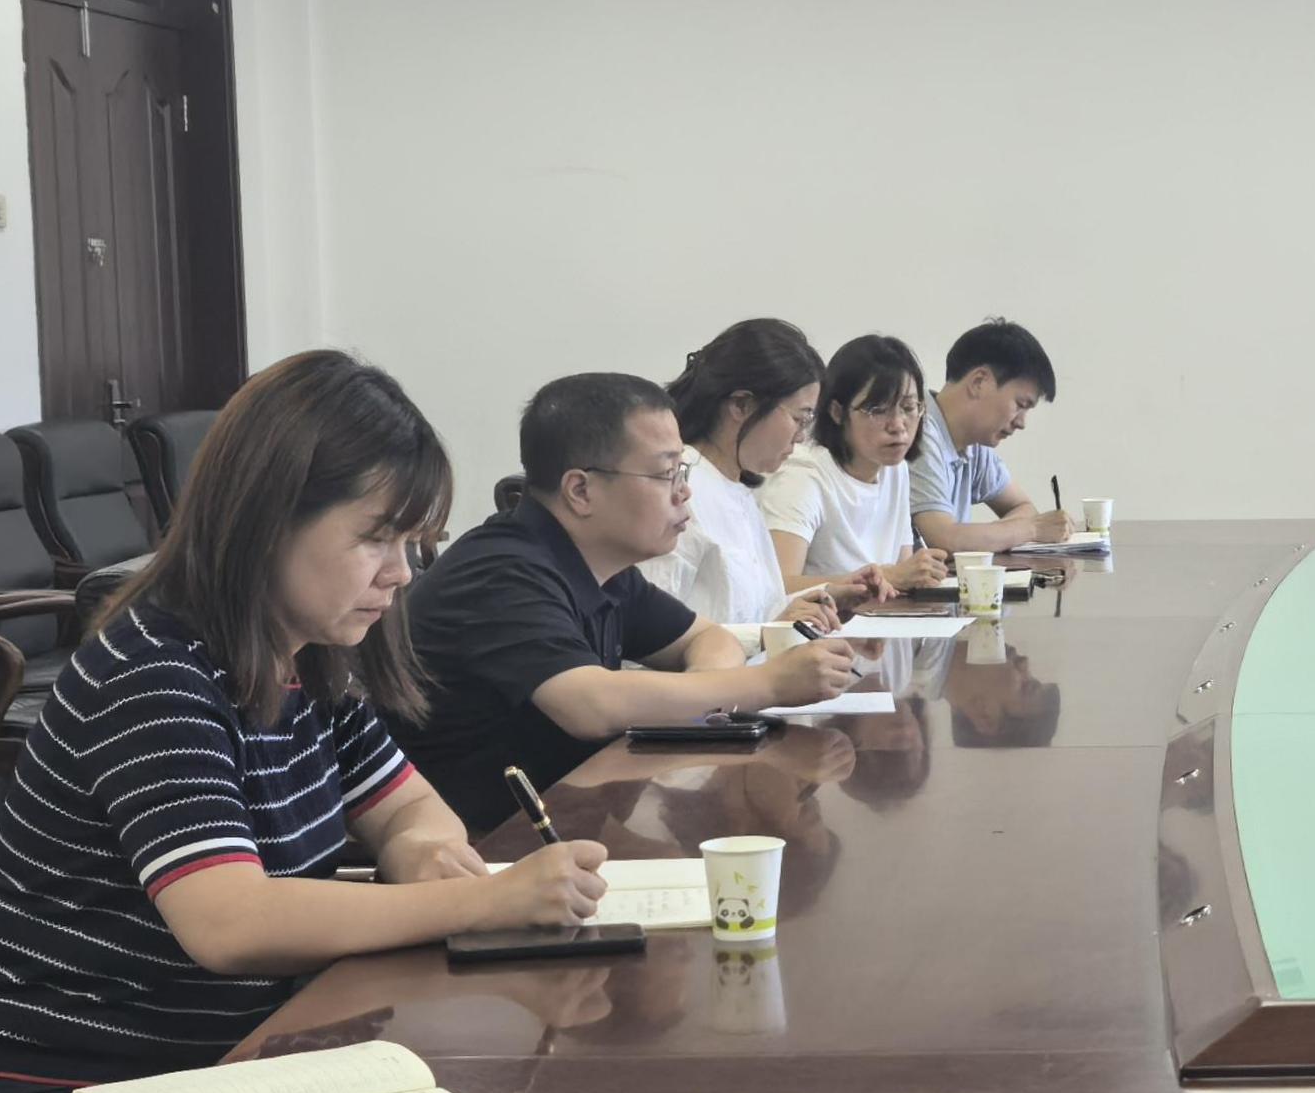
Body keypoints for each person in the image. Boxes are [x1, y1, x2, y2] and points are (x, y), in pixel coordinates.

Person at [0, 354, 616, 1093]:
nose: (402, 573)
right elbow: (231, 924)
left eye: (411, 542)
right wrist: (482, 902)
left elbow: (406, 804)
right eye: (376, 538)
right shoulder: (155, 675)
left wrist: (424, 853)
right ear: (268, 521)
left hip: (222, 1077)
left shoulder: (304, 661)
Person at [393, 371, 860, 828]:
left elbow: (707, 638)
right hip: (479, 845)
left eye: (682, 471)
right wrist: (769, 685)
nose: (684, 492)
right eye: (665, 473)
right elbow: (591, 705)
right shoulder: (501, 573)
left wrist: (705, 696)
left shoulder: (604, 568)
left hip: (560, 819)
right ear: (581, 490)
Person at [644, 318, 868, 628]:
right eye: (799, 419)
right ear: (741, 405)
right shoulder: (681, 488)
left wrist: (824, 597)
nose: (801, 437)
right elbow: (653, 635)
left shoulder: (736, 488)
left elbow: (755, 610)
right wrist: (769, 632)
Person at [768, 332, 948, 604]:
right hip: (819, 625)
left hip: (878, 620)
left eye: (909, 407)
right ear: (837, 412)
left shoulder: (895, 469)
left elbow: (902, 573)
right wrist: (889, 576)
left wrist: (912, 574)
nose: (898, 425)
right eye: (878, 410)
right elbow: (777, 585)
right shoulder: (803, 476)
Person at [910, 317, 1072, 556]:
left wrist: (987, 537)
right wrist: (1032, 529)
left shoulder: (973, 444)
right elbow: (944, 540)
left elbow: (1024, 506)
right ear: (979, 382)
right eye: (1020, 405)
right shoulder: (917, 429)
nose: (1021, 423)